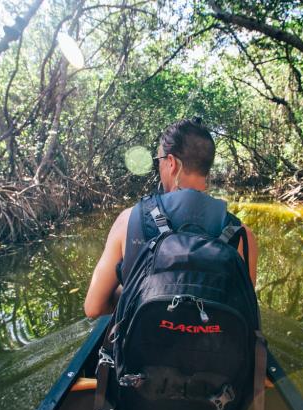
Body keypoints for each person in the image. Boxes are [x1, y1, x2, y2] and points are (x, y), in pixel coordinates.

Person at [84, 118, 257, 319]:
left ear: (172, 163)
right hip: (213, 347)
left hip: (144, 347)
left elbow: (93, 308)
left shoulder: (128, 220)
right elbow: (245, 310)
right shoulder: (242, 234)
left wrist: (137, 293)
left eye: (159, 161)